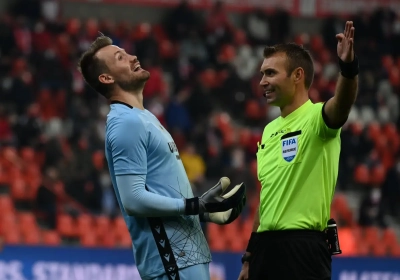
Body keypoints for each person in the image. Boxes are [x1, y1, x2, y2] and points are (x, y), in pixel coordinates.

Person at [77, 35, 247, 280]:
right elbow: (133, 199)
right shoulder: (126, 122)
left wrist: (205, 211)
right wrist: (193, 206)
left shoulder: (144, 117)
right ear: (107, 78)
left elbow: (160, 190)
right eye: (120, 57)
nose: (132, 57)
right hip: (171, 262)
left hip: (188, 258)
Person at [238, 21, 359, 280]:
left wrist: (348, 68)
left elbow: (343, 103)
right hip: (264, 251)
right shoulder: (269, 130)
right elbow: (267, 198)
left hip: (303, 250)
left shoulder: (317, 118)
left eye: (270, 73)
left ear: (297, 75)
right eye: (262, 74)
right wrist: (249, 258)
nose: (262, 82)